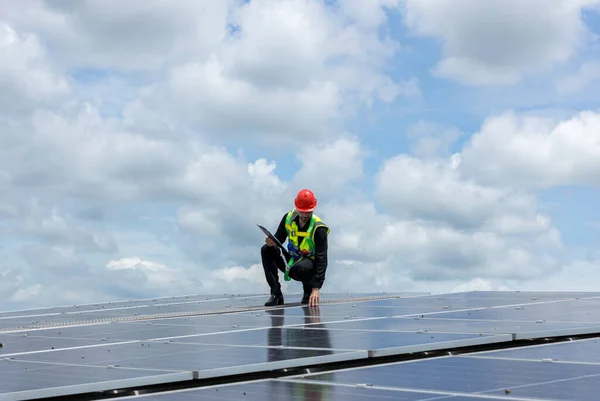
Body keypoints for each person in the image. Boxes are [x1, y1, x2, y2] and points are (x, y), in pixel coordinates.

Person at [261, 189, 330, 307]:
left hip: (308, 266)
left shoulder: (319, 229)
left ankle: (308, 292)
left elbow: (322, 259)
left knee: (300, 267)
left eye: (308, 212)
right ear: (296, 207)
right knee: (266, 250)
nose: (304, 215)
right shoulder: (288, 218)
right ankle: (276, 295)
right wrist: (271, 243)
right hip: (291, 260)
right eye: (302, 212)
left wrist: (316, 287)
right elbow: (279, 240)